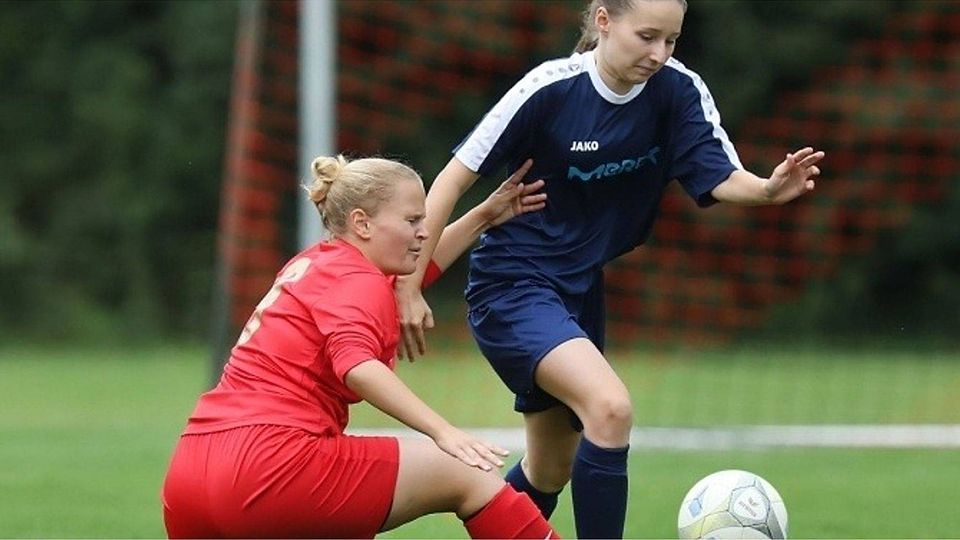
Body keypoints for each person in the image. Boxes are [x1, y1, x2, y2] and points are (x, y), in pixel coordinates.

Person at [394, 0, 826, 538]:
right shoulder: (549, 90)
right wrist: (411, 286)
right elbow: (452, 180)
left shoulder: (677, 90)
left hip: (578, 290)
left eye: (671, 40)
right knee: (611, 408)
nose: (659, 53)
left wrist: (764, 190)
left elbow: (718, 173)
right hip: (513, 283)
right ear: (603, 21)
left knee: (549, 468)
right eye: (646, 36)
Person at [161, 154, 559, 539]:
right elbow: (358, 366)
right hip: (270, 467)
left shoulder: (318, 263)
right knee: (468, 475)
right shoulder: (359, 281)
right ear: (362, 224)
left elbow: (418, 269)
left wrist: (485, 215)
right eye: (412, 220)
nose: (424, 230)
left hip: (193, 472)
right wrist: (443, 432)